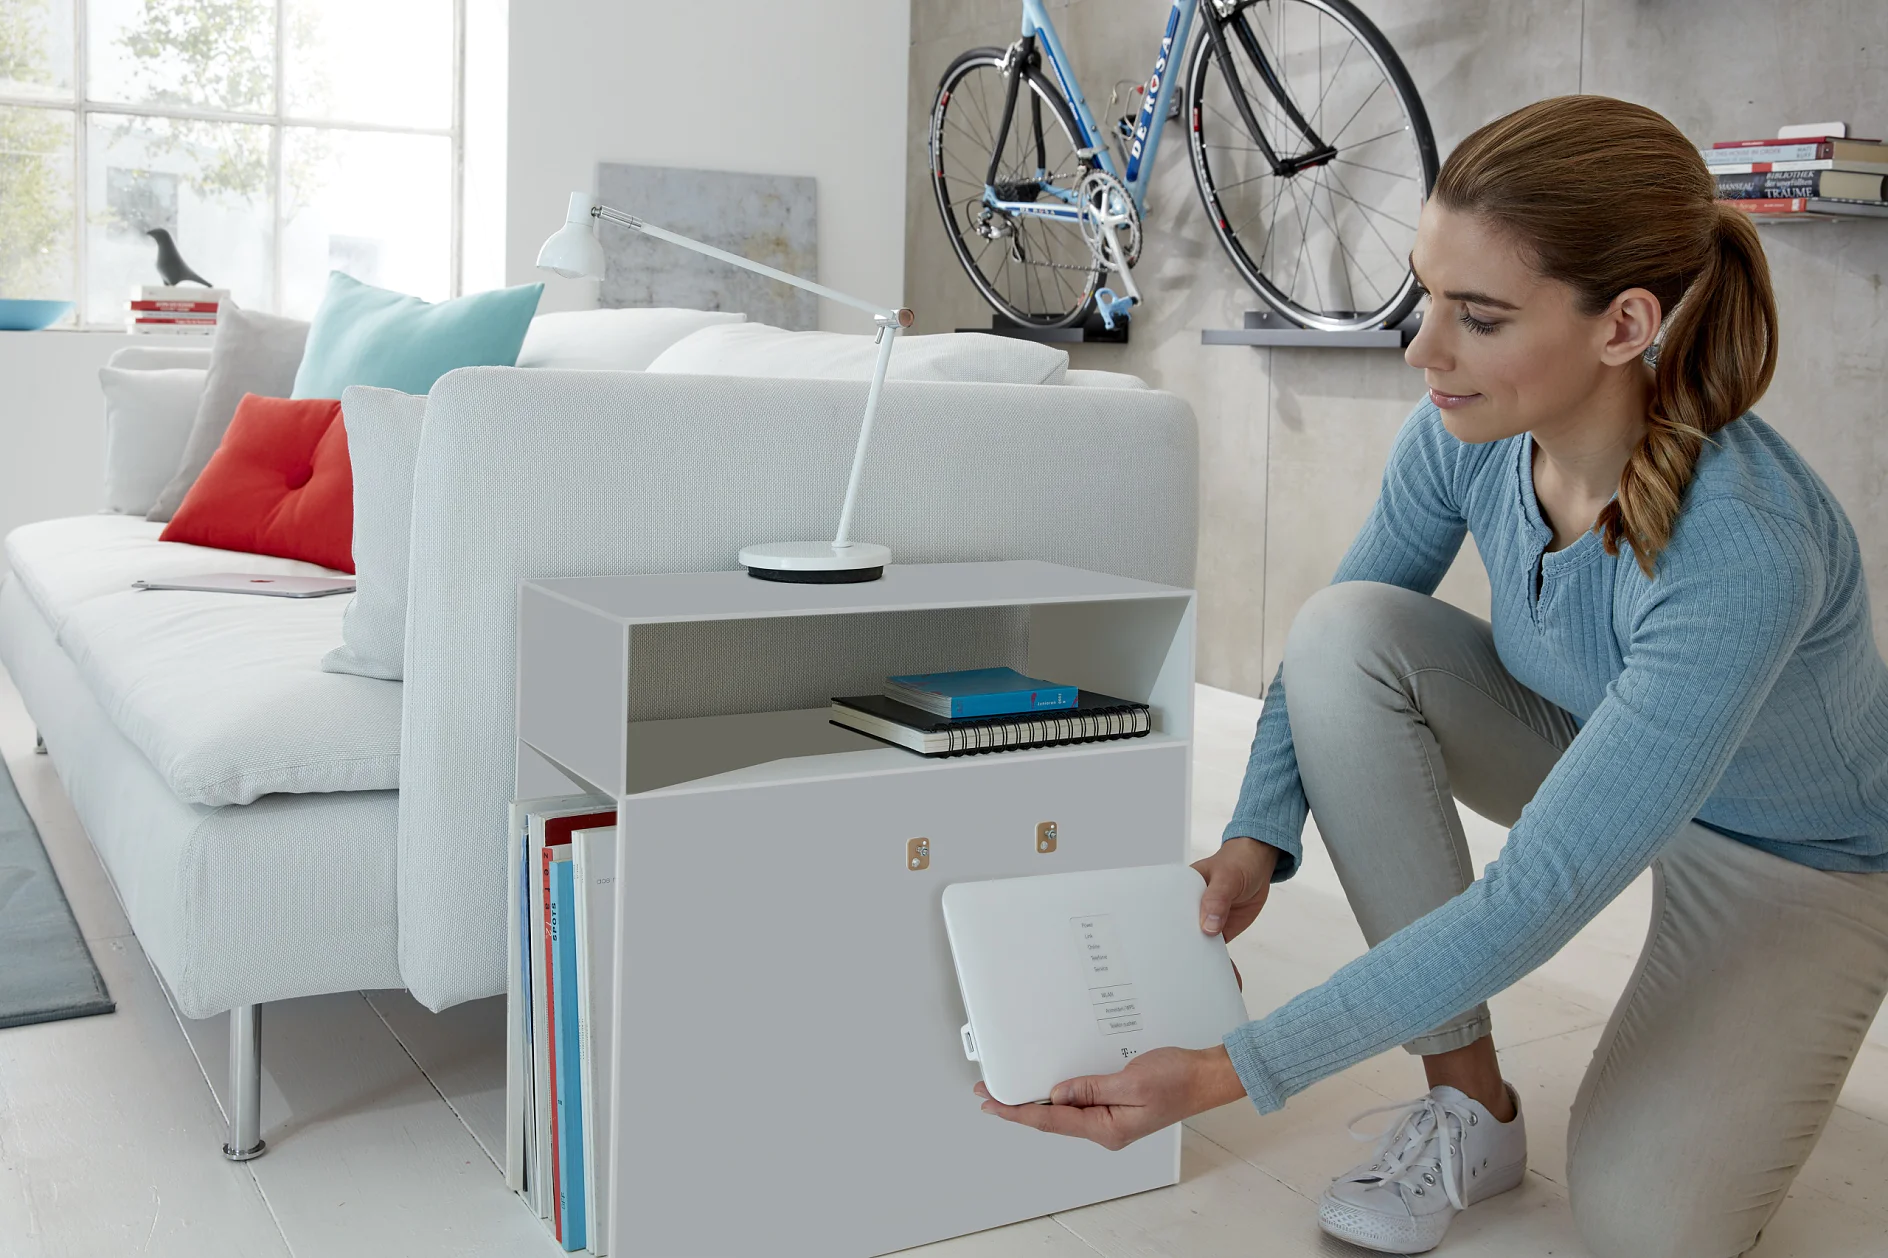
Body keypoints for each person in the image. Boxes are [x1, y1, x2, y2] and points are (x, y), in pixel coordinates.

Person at [974, 94, 1888, 1258]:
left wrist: (1224, 1073)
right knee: (1346, 631)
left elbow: (1533, 896)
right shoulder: (1470, 432)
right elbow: (1326, 658)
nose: (1424, 348)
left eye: (1479, 316)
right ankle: (1469, 1103)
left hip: (1792, 855)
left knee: (1646, 1226)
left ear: (1623, 325)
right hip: (1591, 746)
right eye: (1425, 293)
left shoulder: (1743, 546)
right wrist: (1258, 832)